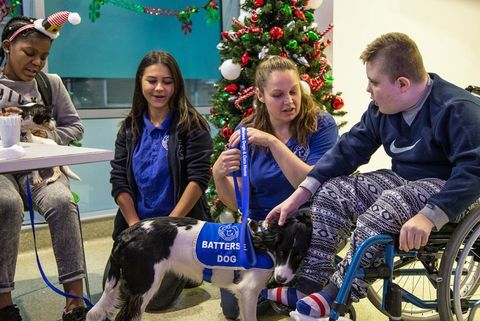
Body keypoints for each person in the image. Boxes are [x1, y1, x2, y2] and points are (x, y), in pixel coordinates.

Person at [262, 32, 480, 319]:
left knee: (390, 203)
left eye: (374, 82)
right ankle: (309, 283)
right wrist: (298, 196)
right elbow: (347, 151)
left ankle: (335, 295)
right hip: (404, 182)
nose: (368, 89)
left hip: (452, 191)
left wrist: (429, 216)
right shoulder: (382, 109)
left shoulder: (458, 109)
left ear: (402, 84)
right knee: (334, 190)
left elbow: (474, 171)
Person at [212, 56, 338, 320]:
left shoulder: (321, 124)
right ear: (260, 94)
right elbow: (237, 203)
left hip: (305, 228)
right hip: (263, 230)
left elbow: (310, 183)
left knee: (302, 296)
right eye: (278, 95)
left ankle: (294, 285)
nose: (289, 101)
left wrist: (272, 142)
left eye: (293, 91)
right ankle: (279, 288)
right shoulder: (245, 131)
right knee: (235, 308)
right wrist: (219, 176)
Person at [0, 13, 88, 321]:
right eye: (29, 53)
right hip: (1, 173)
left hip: (42, 165)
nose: (37, 62)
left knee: (63, 202)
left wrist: (45, 134)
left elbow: (75, 128)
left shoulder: (50, 85)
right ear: (7, 46)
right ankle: (4, 304)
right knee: (6, 204)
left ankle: (75, 302)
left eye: (44, 56)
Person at [109, 50, 213, 311]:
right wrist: (135, 229)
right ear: (140, 83)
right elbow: (119, 179)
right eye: (152, 80)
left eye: (167, 81)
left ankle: (187, 271)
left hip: (176, 231)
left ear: (176, 85)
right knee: (117, 295)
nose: (159, 88)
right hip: (139, 227)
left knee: (152, 302)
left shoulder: (193, 125)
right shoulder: (129, 127)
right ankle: (182, 276)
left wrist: (166, 228)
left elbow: (199, 179)